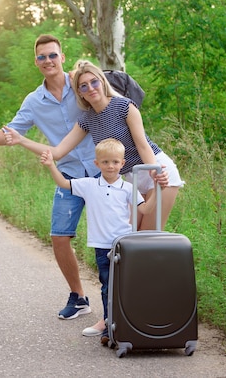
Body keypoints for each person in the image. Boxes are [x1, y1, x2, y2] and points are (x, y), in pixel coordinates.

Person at [0, 34, 99, 320]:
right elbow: (11, 134)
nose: (48, 61)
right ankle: (79, 297)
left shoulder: (80, 84)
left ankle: (122, 299)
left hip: (101, 172)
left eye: (52, 55)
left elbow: (110, 103)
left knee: (111, 238)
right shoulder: (34, 101)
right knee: (59, 237)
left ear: (62, 57)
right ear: (36, 62)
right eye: (42, 57)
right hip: (67, 174)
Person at [5, 59, 182, 231]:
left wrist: (154, 171)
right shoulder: (87, 119)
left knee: (147, 238)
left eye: (94, 82)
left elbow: (143, 145)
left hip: (156, 170)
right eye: (83, 86)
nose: (90, 88)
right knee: (128, 236)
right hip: (131, 178)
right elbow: (58, 152)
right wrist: (21, 140)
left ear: (102, 82)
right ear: (80, 92)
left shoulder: (125, 107)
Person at [40, 138, 158, 341]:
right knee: (107, 286)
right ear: (97, 164)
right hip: (103, 246)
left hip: (124, 244)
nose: (110, 166)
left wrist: (157, 188)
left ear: (122, 164)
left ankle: (129, 324)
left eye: (115, 162)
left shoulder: (129, 188)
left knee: (125, 285)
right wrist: (51, 164)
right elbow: (63, 183)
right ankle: (109, 326)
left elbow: (146, 209)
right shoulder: (89, 185)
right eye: (105, 162)